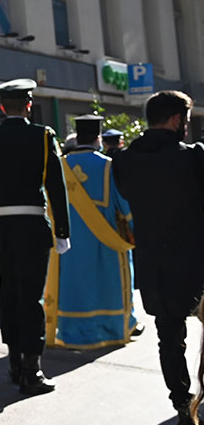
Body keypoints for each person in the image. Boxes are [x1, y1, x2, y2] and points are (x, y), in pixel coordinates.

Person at [0, 78, 70, 395]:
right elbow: (56, 187)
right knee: (31, 296)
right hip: (33, 226)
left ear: (2, 108)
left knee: (9, 290)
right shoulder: (43, 135)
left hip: (0, 227)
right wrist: (62, 230)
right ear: (29, 105)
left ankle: (14, 362)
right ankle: (31, 371)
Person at [113, 90, 204, 425]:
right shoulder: (193, 157)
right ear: (177, 120)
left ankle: (182, 405)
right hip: (197, 265)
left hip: (155, 268)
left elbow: (125, 194)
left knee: (169, 339)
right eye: (188, 121)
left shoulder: (124, 159)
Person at [44, 114, 138, 349]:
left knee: (72, 286)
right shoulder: (108, 166)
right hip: (104, 241)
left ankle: (69, 332)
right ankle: (110, 329)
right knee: (106, 285)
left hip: (67, 242)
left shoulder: (59, 165)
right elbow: (124, 205)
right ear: (98, 138)